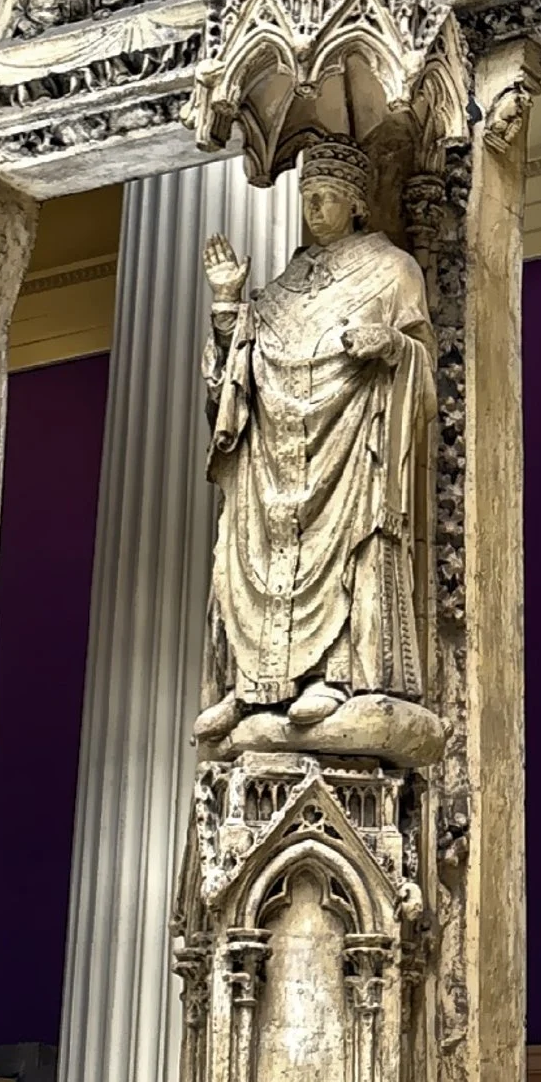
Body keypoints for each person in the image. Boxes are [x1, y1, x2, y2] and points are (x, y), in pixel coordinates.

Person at [198, 140, 436, 750]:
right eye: (307, 198)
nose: (314, 209)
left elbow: (426, 368)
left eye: (327, 197)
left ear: (357, 203)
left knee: (353, 547)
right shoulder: (278, 290)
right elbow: (232, 385)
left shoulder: (391, 270)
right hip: (272, 460)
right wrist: (228, 306)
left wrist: (389, 343)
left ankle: (337, 674)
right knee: (237, 545)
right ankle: (252, 687)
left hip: (350, 447)